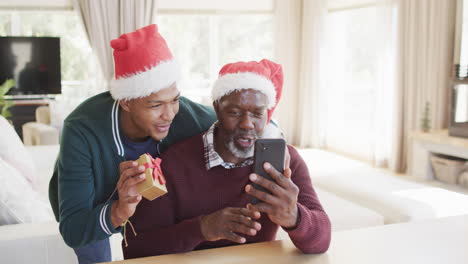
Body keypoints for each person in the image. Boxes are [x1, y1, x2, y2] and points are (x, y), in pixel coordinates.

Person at [123, 59, 331, 259]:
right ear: (217, 108)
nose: (247, 124)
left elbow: (322, 241)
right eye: (234, 112)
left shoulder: (286, 161)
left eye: (257, 114)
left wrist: (295, 217)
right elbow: (135, 249)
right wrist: (202, 228)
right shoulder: (174, 164)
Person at [48, 24, 217, 264]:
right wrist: (119, 210)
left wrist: (272, 139)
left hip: (151, 206)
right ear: (126, 102)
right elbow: (74, 229)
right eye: (155, 105)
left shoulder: (186, 116)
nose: (169, 114)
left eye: (174, 100)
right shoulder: (81, 129)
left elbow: (238, 118)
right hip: (89, 207)